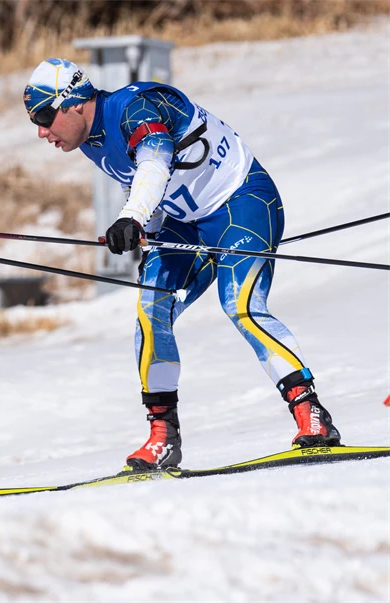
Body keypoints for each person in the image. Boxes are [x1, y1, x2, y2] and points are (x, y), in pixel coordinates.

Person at [22, 58, 341, 471]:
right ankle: (163, 437)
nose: (41, 131)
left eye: (45, 117)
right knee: (150, 308)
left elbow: (155, 161)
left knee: (241, 305)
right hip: (182, 224)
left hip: (240, 202)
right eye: (34, 121)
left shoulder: (137, 107)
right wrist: (146, 231)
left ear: (75, 103)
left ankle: (311, 414)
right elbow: (136, 176)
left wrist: (131, 217)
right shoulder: (89, 140)